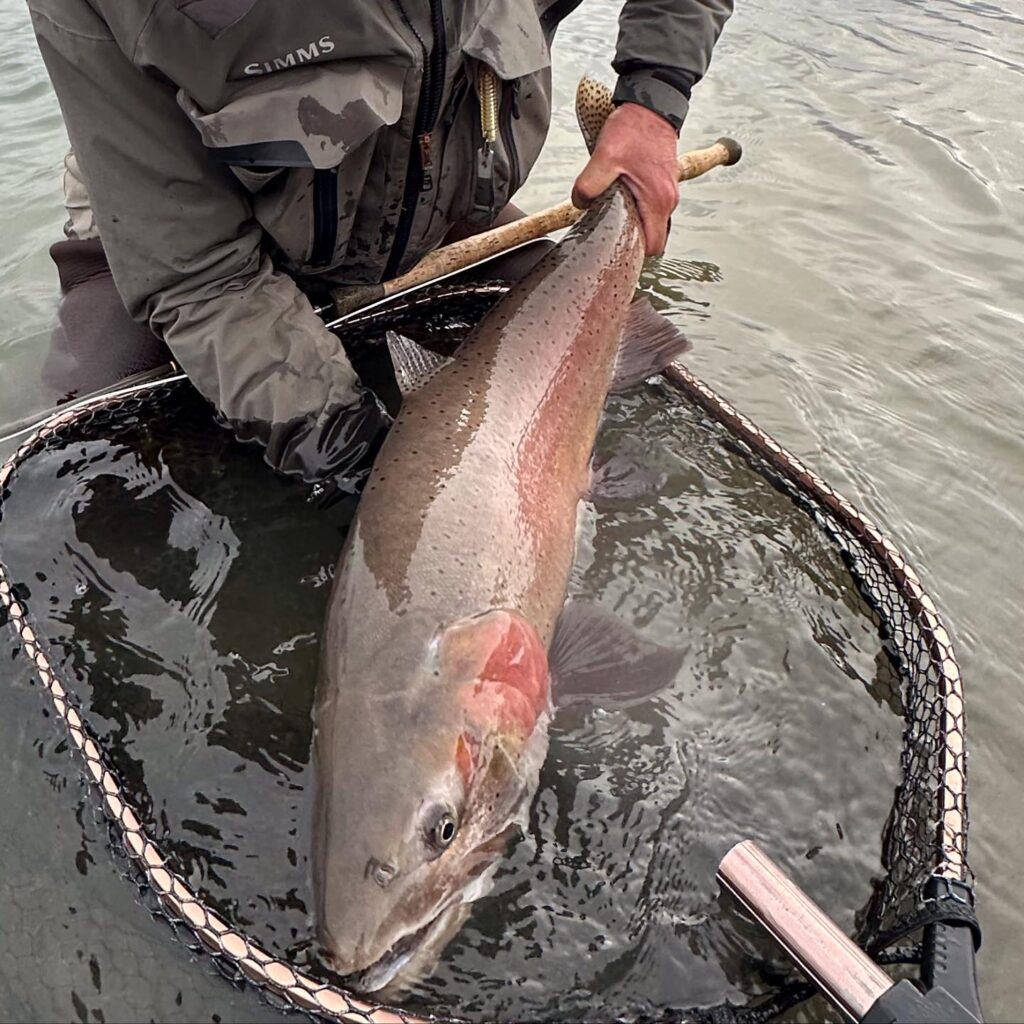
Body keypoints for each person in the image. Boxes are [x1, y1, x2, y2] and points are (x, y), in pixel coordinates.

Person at [28, 0, 731, 497]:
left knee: (632, 373)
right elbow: (201, 275)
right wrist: (362, 463)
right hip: (180, 228)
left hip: (442, 205)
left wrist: (652, 102)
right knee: (77, 474)